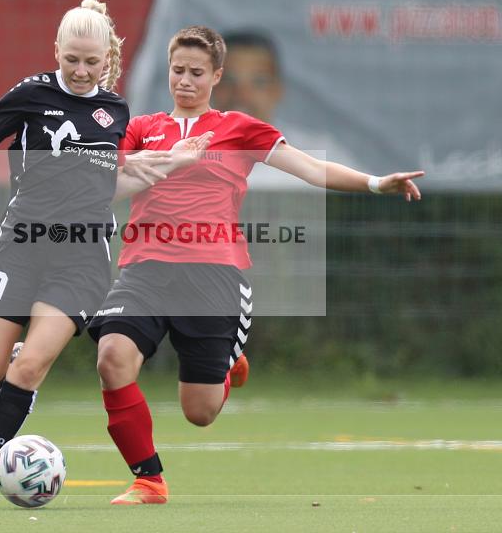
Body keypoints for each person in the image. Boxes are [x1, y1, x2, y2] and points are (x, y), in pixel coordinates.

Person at [88, 25, 423, 505]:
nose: (185, 80)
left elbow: (312, 168)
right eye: (178, 70)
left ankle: (227, 366)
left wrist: (375, 183)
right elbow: (108, 188)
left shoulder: (239, 128)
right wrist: (166, 161)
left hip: (214, 277)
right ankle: (149, 480)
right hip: (146, 269)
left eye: (197, 72)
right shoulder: (142, 129)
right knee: (112, 357)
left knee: (199, 412)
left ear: (216, 76)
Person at [0, 0, 208, 510]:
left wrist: (173, 162)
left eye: (91, 62)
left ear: (106, 59)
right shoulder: (31, 94)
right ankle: (14, 370)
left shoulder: (115, 112)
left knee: (27, 371)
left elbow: (111, 184)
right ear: (56, 51)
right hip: (21, 247)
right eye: (71, 60)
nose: (81, 71)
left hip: (81, 259)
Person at [213, 29, 366, 182]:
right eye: (228, 80)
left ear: (278, 90)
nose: (242, 95)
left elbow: (364, 194)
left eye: (259, 82)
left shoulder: (319, 155)